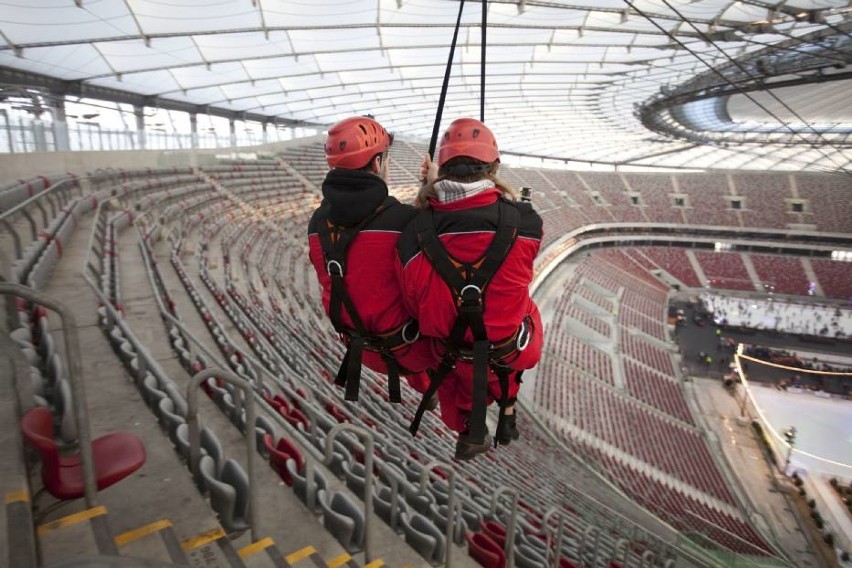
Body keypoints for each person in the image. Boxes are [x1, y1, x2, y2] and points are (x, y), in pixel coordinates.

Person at [397, 118, 544, 460]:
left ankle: (468, 425)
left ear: (443, 168)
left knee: (440, 321)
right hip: (509, 350)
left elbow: (412, 298)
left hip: (447, 352)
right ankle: (507, 404)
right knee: (525, 306)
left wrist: (428, 193)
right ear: (494, 166)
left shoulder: (411, 234)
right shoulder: (526, 222)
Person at [307, 116, 437, 405]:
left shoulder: (317, 226)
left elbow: (368, 244)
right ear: (377, 164)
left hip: (361, 348)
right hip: (409, 350)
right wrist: (434, 189)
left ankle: (427, 387)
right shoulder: (405, 222)